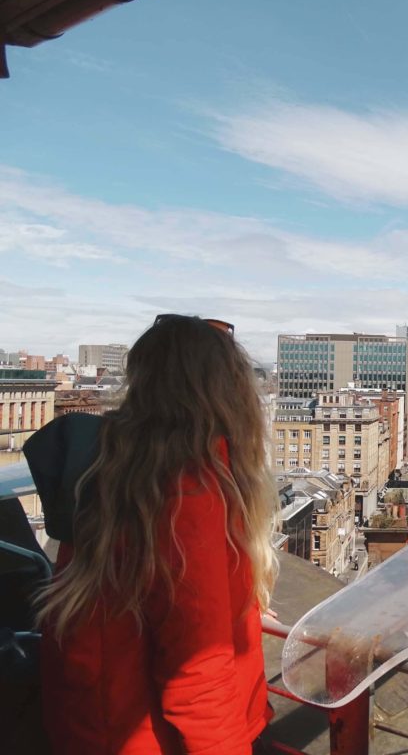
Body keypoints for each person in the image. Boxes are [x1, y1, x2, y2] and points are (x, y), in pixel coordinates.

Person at [26, 315, 279, 754]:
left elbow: (147, 602)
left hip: (93, 723)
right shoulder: (187, 492)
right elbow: (198, 674)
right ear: (227, 394)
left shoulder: (110, 471)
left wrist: (238, 615)